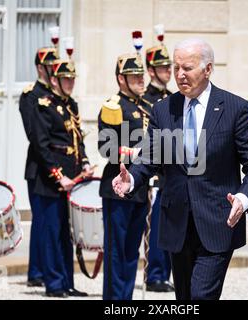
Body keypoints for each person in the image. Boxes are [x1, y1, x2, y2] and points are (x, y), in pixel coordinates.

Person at [112, 38, 248, 300]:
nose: (180, 75)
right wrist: (132, 180)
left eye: (187, 68)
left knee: (201, 296)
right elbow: (150, 156)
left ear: (208, 69)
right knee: (184, 298)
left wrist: (245, 197)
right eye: (176, 67)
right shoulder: (163, 109)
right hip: (176, 222)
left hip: (218, 221)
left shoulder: (235, 108)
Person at [30, 59, 92, 298]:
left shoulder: (70, 104)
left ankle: (66, 281)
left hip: (72, 178)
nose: (70, 83)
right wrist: (59, 176)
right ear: (54, 80)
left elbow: (78, 139)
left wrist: (84, 162)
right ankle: (54, 284)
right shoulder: (42, 105)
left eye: (73, 79)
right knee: (51, 231)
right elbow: (41, 146)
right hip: (49, 180)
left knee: (67, 232)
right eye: (66, 79)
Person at [98, 35, 154, 299]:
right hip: (117, 188)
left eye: (142, 76)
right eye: (135, 77)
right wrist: (136, 152)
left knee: (132, 250)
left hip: (140, 187)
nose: (141, 81)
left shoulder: (147, 106)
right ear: (121, 79)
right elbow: (106, 148)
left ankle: (126, 300)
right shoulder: (113, 107)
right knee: (116, 251)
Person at [19, 47, 59, 288]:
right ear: (39, 67)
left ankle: (41, 269)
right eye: (50, 66)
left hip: (55, 165)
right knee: (43, 220)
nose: (54, 69)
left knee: (50, 222)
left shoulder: (56, 95)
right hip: (39, 167)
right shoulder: (31, 95)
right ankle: (37, 271)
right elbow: (36, 135)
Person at [142, 34, 174, 293]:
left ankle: (164, 273)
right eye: (163, 67)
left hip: (172, 172)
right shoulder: (144, 101)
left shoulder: (172, 97)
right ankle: (154, 275)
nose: (169, 71)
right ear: (151, 70)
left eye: (169, 67)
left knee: (169, 225)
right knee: (155, 228)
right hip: (154, 172)